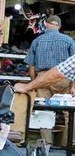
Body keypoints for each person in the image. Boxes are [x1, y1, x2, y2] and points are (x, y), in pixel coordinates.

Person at [22, 15, 75, 145]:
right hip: (63, 77)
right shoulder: (69, 41)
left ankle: (46, 144)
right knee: (69, 113)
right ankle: (68, 144)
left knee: (44, 111)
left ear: (46, 24)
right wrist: (74, 85)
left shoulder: (37, 41)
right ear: (60, 26)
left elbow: (32, 66)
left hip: (43, 78)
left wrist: (34, 83)